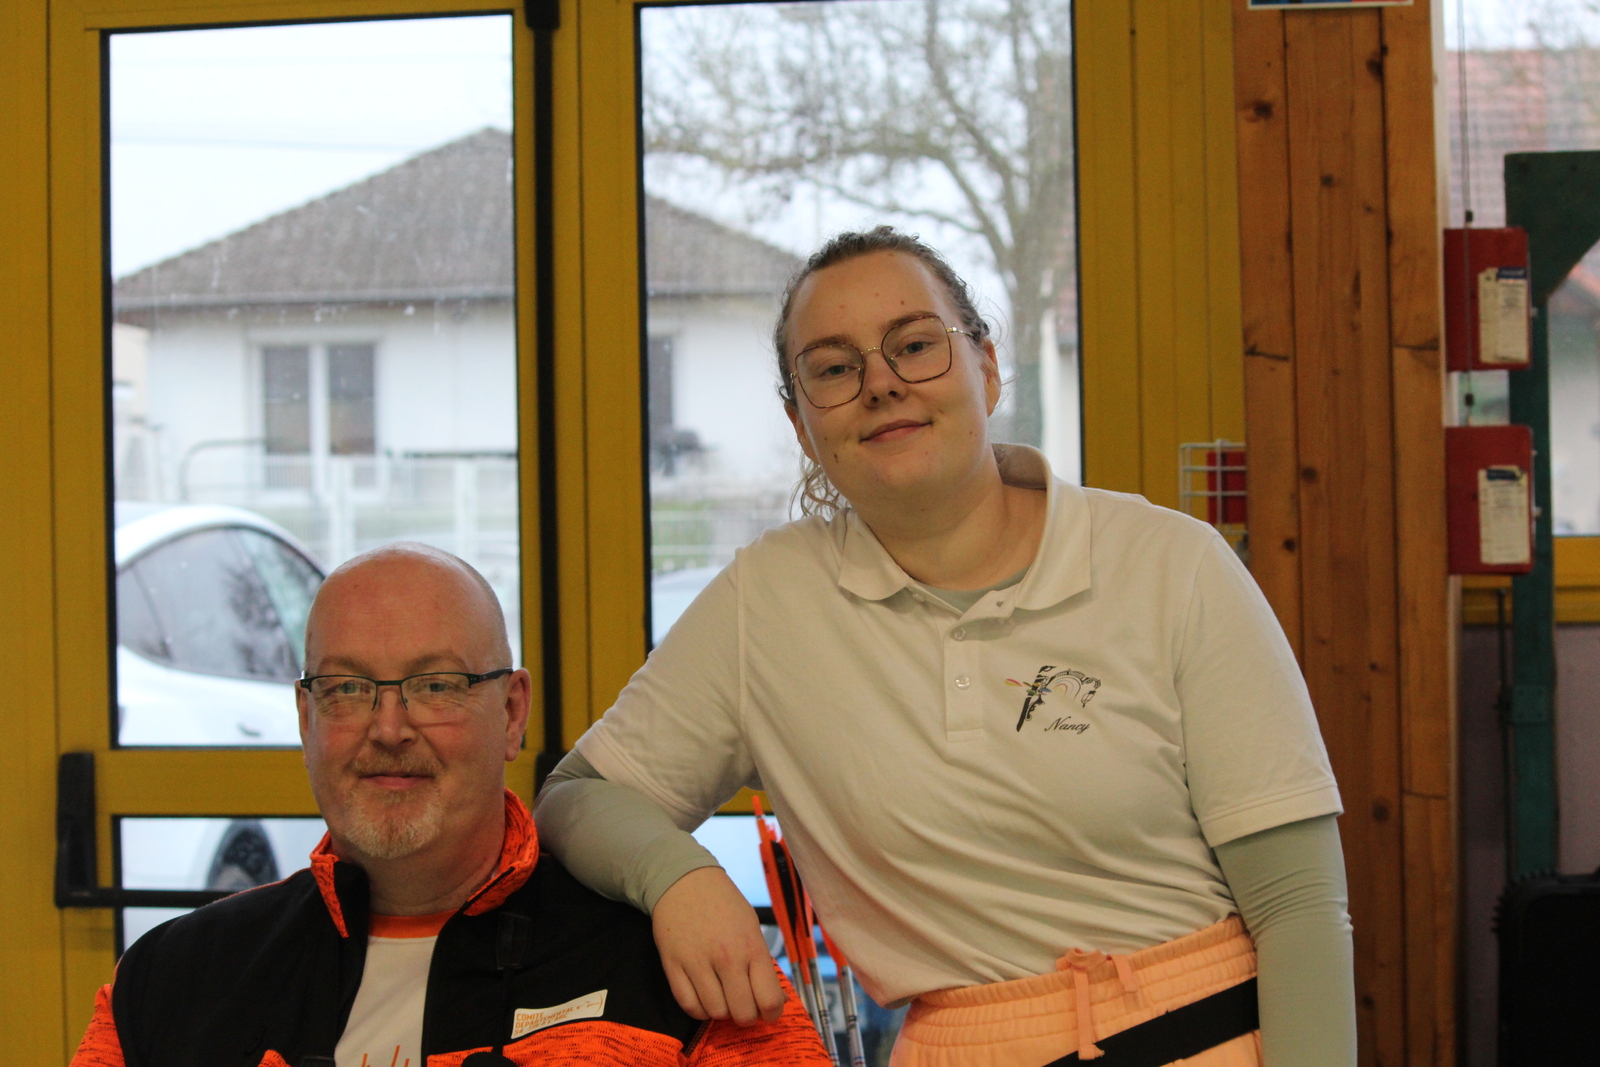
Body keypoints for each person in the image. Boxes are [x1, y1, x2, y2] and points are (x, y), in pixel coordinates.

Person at [535, 228, 1359, 1066]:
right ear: (800, 424)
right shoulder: (766, 604)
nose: (881, 384)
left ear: (987, 368)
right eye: (834, 368)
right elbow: (578, 796)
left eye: (916, 345)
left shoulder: (1173, 565)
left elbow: (1298, 906)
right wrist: (680, 876)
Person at [71, 543, 828, 1067]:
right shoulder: (169, 983)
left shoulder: (676, 977)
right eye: (347, 689)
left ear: (512, 712)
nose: (388, 728)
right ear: (306, 719)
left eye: (436, 685)